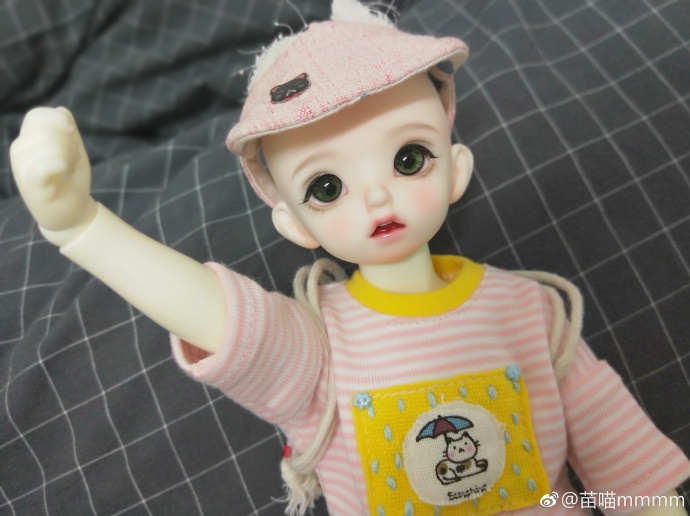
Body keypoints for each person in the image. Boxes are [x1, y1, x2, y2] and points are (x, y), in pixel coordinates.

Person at [9, 1, 690, 514]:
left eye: (408, 158)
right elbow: (220, 317)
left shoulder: (530, 310)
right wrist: (84, 228)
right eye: (326, 188)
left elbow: (621, 457)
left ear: (456, 168)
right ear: (293, 222)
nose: (376, 197)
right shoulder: (320, 344)